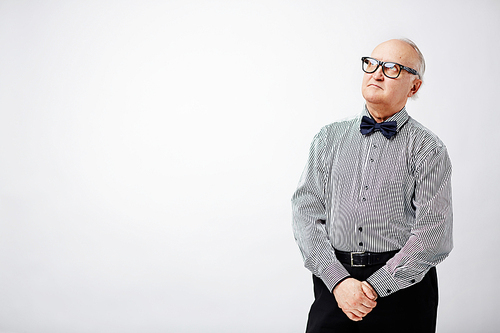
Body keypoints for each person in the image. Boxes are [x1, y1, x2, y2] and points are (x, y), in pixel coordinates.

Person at [291, 38, 453, 333]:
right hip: (335, 284)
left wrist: (375, 287)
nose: (377, 73)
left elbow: (433, 234)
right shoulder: (328, 139)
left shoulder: (429, 149)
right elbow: (305, 213)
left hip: (405, 288)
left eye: (392, 68)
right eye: (372, 64)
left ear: (414, 87)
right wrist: (338, 281)